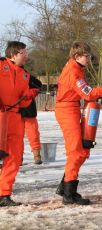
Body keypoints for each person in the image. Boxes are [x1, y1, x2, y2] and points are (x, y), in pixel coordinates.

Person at [55, 41, 102, 205]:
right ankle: (69, 194)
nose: (89, 58)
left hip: (72, 108)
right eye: (86, 56)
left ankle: (65, 186)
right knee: (76, 151)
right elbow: (89, 94)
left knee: (84, 149)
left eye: (89, 55)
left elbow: (87, 91)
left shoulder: (77, 69)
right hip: (67, 111)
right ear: (77, 56)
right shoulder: (73, 72)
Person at [0, 41, 40, 206]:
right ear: (14, 54)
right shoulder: (1, 66)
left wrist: (31, 94)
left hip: (15, 117)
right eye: (23, 52)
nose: (26, 55)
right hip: (0, 114)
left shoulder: (25, 75)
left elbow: (22, 102)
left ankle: (4, 195)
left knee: (15, 157)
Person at [21, 76, 43, 164]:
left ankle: (37, 155)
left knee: (33, 134)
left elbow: (38, 85)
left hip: (29, 111)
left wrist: (32, 92)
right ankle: (18, 157)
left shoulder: (26, 75)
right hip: (14, 111)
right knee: (16, 137)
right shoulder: (7, 76)